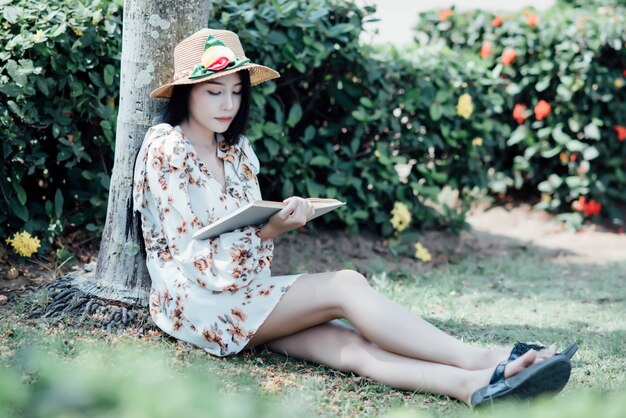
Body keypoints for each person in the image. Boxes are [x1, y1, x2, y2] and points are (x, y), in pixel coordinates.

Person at [132, 28, 577, 407]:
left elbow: (243, 251)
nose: (227, 104)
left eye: (236, 91)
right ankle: (484, 358)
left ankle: (476, 387)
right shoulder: (167, 148)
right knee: (345, 285)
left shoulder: (237, 151)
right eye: (214, 91)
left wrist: (271, 226)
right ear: (186, 93)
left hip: (240, 296)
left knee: (348, 344)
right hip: (195, 304)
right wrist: (271, 229)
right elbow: (196, 259)